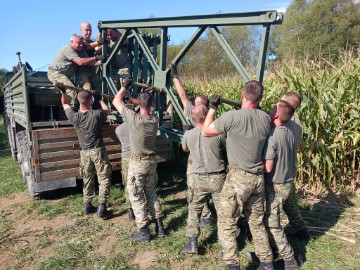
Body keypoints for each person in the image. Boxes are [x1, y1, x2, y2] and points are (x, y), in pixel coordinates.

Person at [202, 81, 274, 270]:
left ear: (242, 94)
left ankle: (233, 265)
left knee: (227, 223)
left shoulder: (231, 117)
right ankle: (267, 263)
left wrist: (213, 107)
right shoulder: (265, 119)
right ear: (261, 98)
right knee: (257, 223)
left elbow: (206, 131)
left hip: (238, 180)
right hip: (257, 178)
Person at [112, 80, 165, 242]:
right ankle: (159, 226)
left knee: (135, 195)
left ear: (139, 105)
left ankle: (143, 231)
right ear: (151, 104)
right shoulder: (154, 120)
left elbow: (116, 101)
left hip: (137, 163)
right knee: (151, 193)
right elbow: (144, 106)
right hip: (151, 162)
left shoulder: (134, 119)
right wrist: (136, 100)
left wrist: (124, 86)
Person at [170, 64, 214, 226]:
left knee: (194, 187)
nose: (192, 104)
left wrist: (175, 76)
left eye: (195, 103)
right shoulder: (213, 120)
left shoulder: (192, 114)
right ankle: (209, 213)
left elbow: (182, 95)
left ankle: (206, 215)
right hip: (211, 159)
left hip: (195, 158)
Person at [59, 86, 112, 219]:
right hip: (98, 151)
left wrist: (63, 92)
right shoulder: (97, 114)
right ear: (90, 101)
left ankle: (87, 205)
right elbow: (107, 110)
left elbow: (65, 103)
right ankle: (102, 207)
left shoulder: (74, 117)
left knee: (87, 178)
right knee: (103, 178)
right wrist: (99, 100)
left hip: (84, 153)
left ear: (78, 100)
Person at [181, 104, 227, 254]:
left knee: (194, 210)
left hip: (199, 178)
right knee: (223, 212)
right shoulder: (217, 133)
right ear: (205, 116)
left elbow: (184, 149)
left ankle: (192, 243)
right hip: (218, 177)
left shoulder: (188, 135)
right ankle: (227, 246)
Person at [263, 100, 299, 269]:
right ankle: (274, 249)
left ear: (276, 115)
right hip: (288, 181)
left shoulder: (272, 135)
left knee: (272, 223)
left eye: (272, 109)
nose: (269, 110)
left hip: (276, 184)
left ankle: (289, 259)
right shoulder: (291, 131)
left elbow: (268, 166)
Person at [280, 92, 310, 240]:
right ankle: (302, 230)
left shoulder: (282, 122)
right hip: (290, 169)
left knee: (273, 211)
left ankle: (275, 246)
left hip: (279, 171)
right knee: (289, 202)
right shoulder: (297, 122)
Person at [48, 34, 103, 109]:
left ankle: (91, 109)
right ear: (71, 42)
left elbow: (89, 62)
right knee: (71, 90)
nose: (80, 45)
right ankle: (72, 113)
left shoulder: (81, 50)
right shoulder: (68, 49)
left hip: (65, 76)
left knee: (79, 90)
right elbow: (80, 62)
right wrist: (95, 58)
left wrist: (101, 61)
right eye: (78, 43)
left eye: (81, 43)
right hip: (55, 73)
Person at [115, 103, 136, 221]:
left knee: (128, 184)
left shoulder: (118, 129)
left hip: (126, 158)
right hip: (137, 157)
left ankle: (130, 209)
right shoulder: (138, 126)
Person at [77, 22, 103, 93]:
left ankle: (97, 104)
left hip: (92, 71)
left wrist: (100, 32)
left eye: (90, 30)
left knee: (99, 90)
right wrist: (98, 42)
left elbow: (96, 46)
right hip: (82, 72)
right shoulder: (79, 41)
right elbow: (88, 46)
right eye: (86, 30)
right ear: (81, 30)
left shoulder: (91, 42)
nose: (89, 32)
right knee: (87, 89)